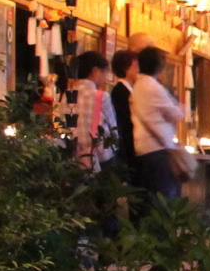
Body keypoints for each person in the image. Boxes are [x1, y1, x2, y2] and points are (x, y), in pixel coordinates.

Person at [130, 45, 188, 202]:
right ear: (159, 66)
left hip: (143, 149)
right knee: (165, 198)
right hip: (159, 149)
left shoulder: (137, 85)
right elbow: (176, 113)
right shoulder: (154, 87)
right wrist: (179, 104)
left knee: (151, 199)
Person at [63, 51, 118, 171]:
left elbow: (62, 127)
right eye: (105, 72)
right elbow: (113, 130)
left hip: (74, 159)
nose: (105, 77)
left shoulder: (67, 95)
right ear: (95, 71)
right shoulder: (102, 97)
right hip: (99, 158)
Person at [107, 49, 140, 181]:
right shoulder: (120, 91)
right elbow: (125, 122)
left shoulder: (130, 90)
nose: (139, 70)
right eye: (136, 66)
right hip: (128, 147)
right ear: (126, 68)